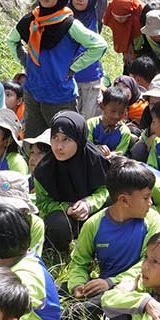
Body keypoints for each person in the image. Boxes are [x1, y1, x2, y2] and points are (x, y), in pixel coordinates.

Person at [8, 0, 109, 138]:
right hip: (33, 93)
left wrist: (72, 68)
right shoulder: (31, 20)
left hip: (59, 96)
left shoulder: (69, 24)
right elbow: (12, 40)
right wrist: (25, 60)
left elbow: (99, 45)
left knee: (66, 143)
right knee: (32, 144)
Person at [63, 157, 160, 311]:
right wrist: (78, 284)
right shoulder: (94, 224)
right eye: (146, 197)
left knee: (90, 306)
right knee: (61, 288)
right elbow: (79, 262)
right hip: (103, 284)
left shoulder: (152, 220)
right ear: (123, 200)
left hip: (135, 285)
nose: (150, 202)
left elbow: (147, 263)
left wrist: (110, 282)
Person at [35, 111, 110, 258]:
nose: (59, 146)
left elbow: (107, 189)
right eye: (55, 138)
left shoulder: (96, 160)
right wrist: (67, 207)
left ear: (79, 138)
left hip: (94, 213)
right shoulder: (44, 170)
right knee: (57, 224)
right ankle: (62, 252)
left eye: (66, 139)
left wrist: (89, 203)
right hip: (68, 218)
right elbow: (43, 203)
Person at [69, 0, 110, 115]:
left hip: (91, 78)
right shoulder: (65, 14)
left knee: (87, 119)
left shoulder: (95, 15)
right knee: (71, 118)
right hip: (68, 76)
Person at [87, 83, 136, 156]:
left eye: (121, 112)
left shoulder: (124, 132)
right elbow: (86, 145)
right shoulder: (91, 124)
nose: (116, 116)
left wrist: (110, 155)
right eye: (113, 111)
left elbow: (120, 153)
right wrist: (97, 148)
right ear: (102, 106)